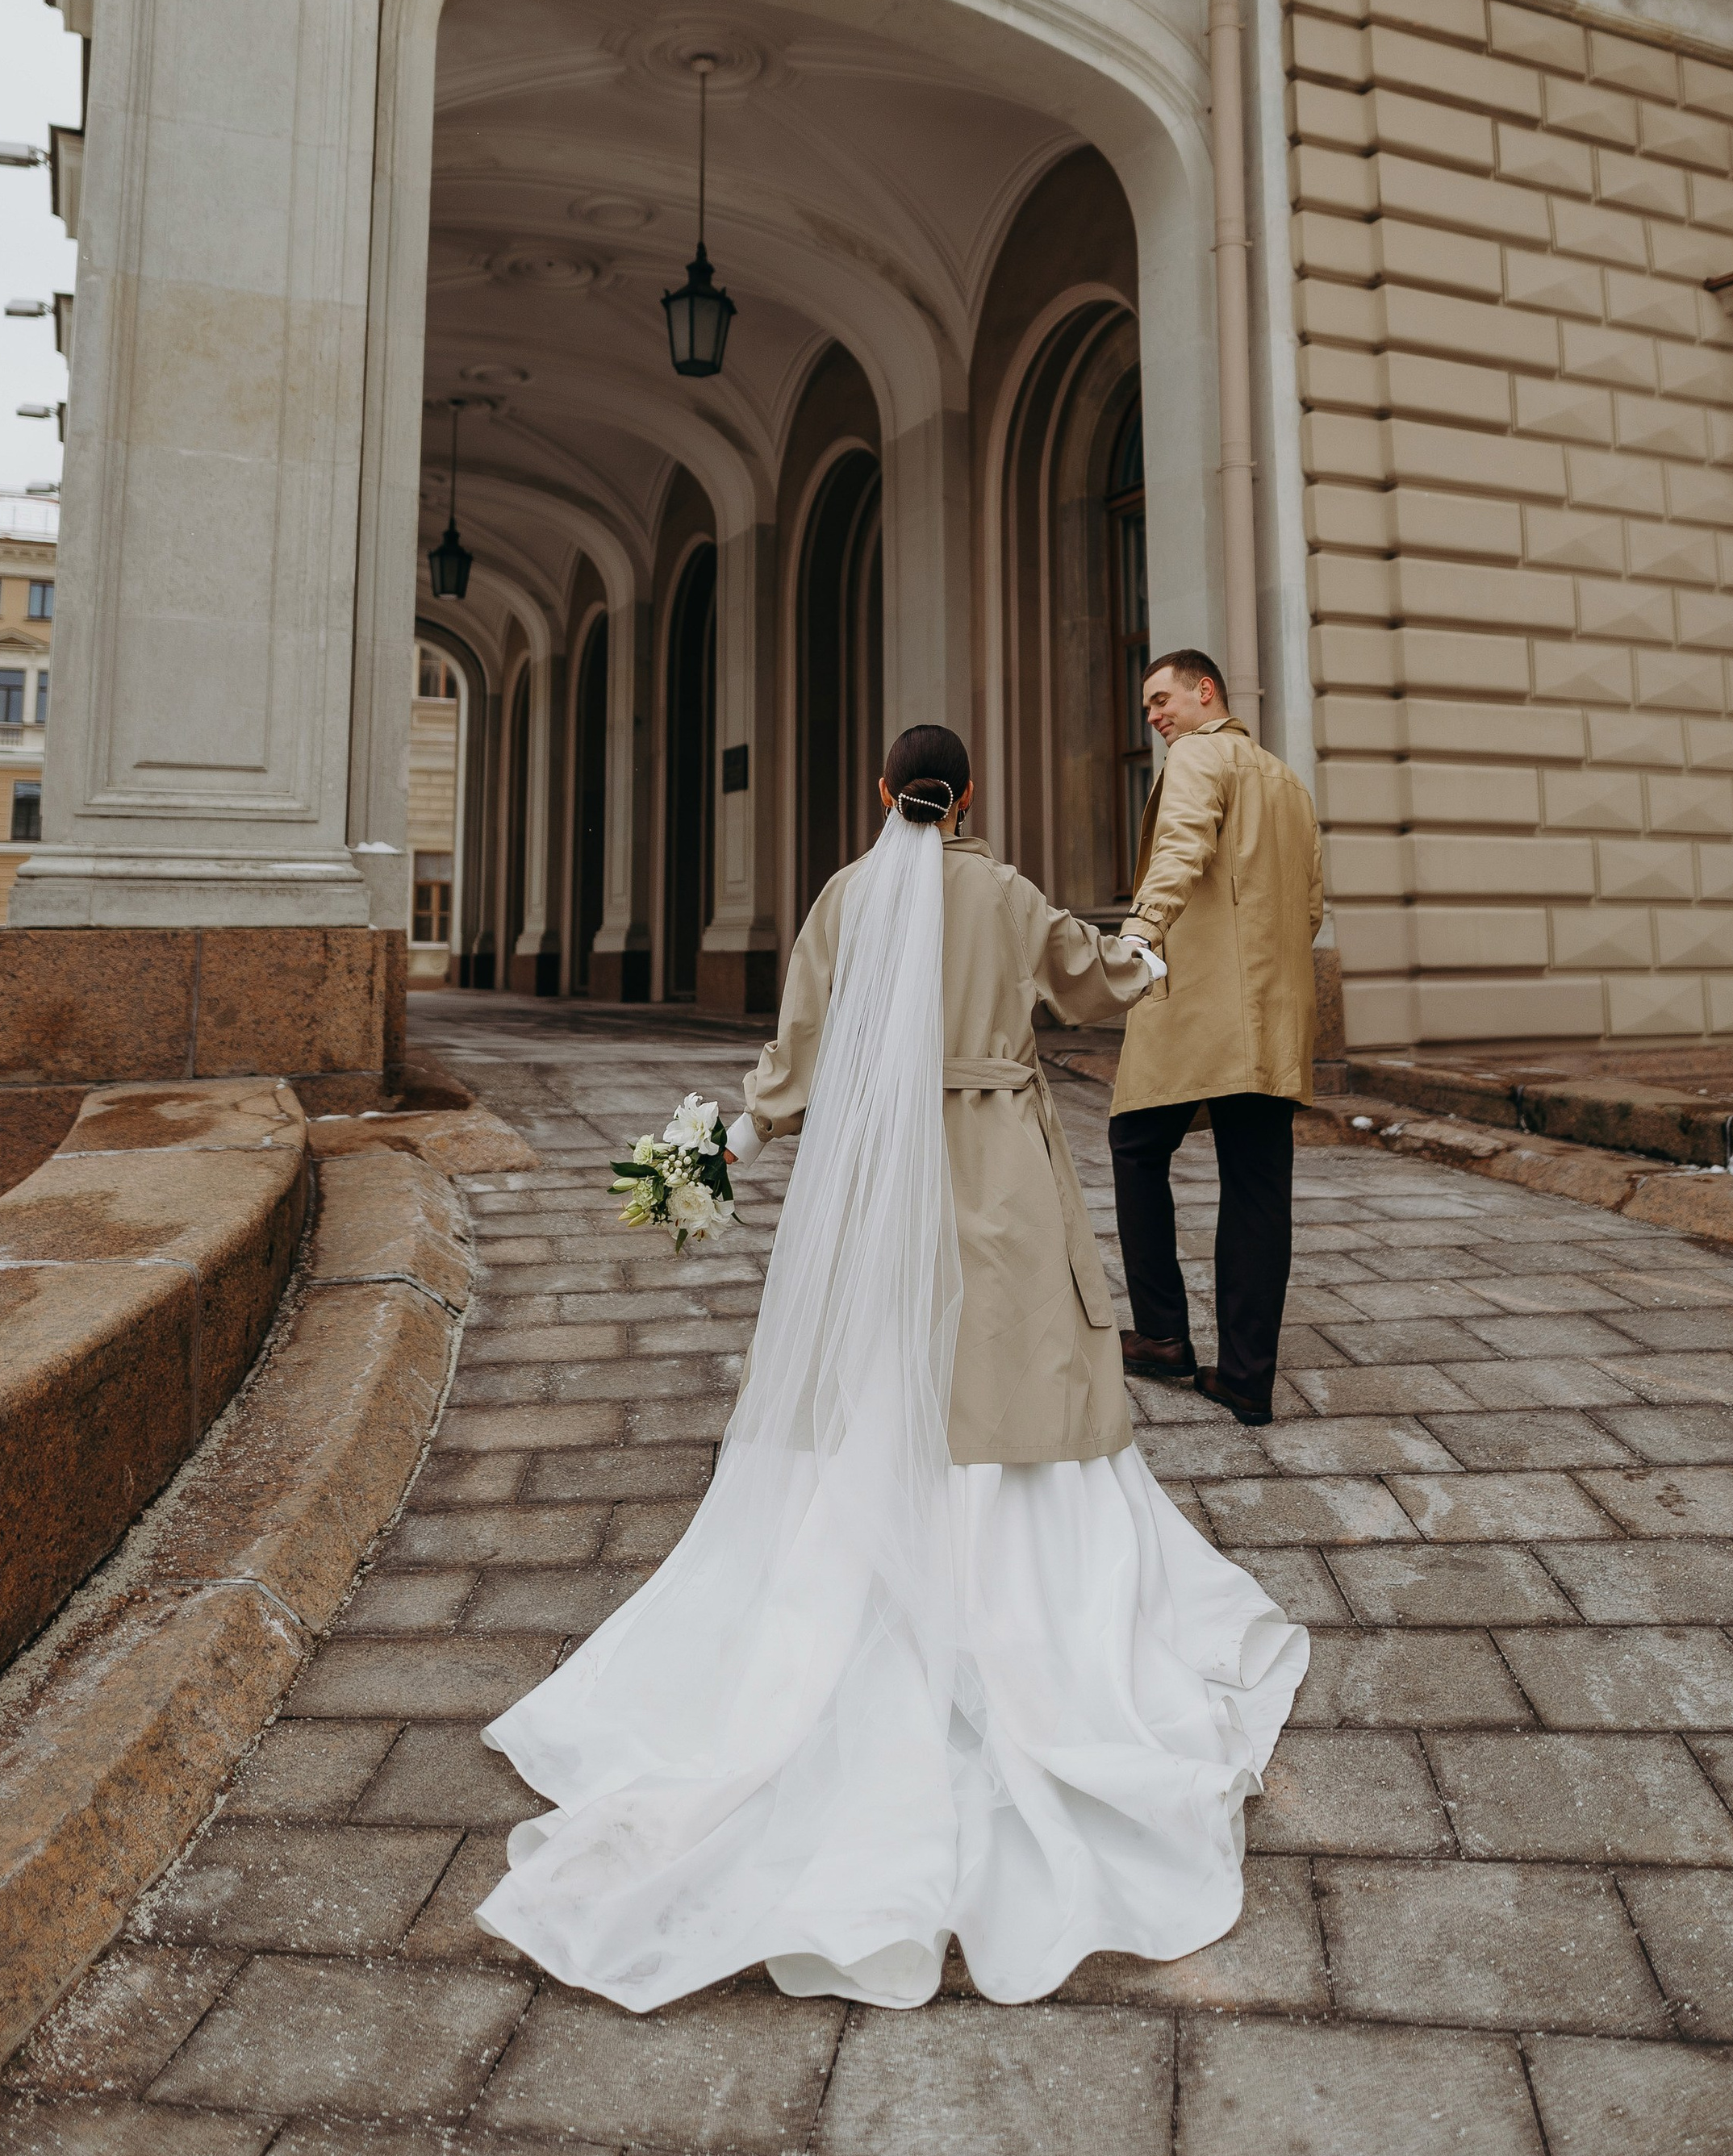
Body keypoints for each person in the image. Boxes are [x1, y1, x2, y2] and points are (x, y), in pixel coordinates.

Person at [477, 720, 1307, 2010]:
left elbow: (800, 1054)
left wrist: (726, 1148)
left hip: (878, 1179)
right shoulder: (1005, 890)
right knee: (1017, 1373)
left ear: (883, 793)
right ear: (969, 793)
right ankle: (1029, 1603)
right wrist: (1145, 946)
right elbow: (1093, 985)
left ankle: (869, 1564)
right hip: (997, 1168)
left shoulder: (847, 898)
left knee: (885, 1369)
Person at [1111, 651, 1324, 1426]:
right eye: (1147, 708)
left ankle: (1164, 1333)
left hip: (1198, 1005)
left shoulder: (1199, 754)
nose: (1155, 716)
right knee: (1259, 1185)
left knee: (1135, 1143)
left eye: (1162, 698)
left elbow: (1182, 848)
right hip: (1273, 1015)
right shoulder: (1288, 780)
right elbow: (1309, 908)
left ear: (1207, 692)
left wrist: (1138, 933)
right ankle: (1245, 1377)